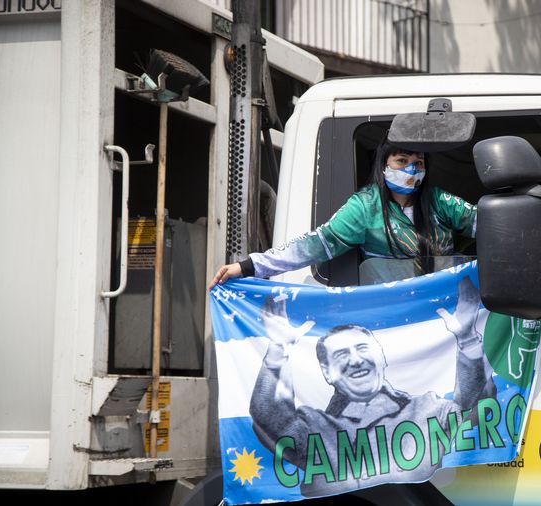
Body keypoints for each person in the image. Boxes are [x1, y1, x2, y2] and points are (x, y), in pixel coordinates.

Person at [249, 276, 496, 497]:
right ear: (327, 373)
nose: (356, 360)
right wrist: (278, 350)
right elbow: (270, 420)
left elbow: (475, 412)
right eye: (341, 354)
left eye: (363, 348)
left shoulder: (427, 409)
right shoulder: (314, 427)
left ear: (382, 357)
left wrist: (467, 339)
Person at [209, 137, 479, 288]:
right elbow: (315, 244)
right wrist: (248, 267)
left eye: (418, 163)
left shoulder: (440, 202)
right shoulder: (365, 207)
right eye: (402, 161)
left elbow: (490, 224)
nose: (411, 169)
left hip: (444, 309)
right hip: (391, 315)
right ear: (383, 165)